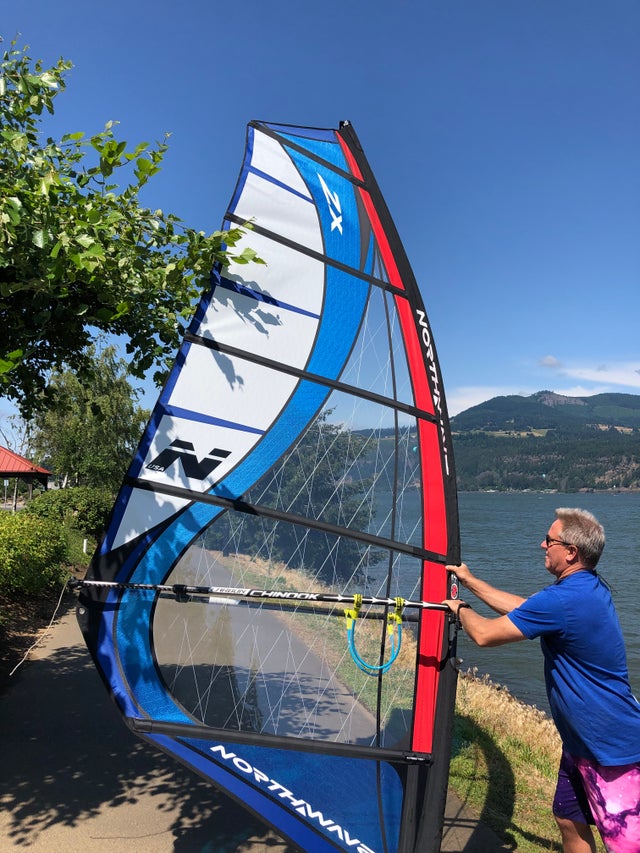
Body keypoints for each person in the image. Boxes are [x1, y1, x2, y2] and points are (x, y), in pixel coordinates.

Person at [444, 507, 640, 853]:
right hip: (581, 741)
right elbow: (524, 609)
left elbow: (486, 635)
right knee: (568, 818)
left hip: (610, 747)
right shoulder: (584, 588)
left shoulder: (565, 598)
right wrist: (471, 581)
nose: (541, 544)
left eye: (549, 540)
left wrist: (458, 608)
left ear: (570, 552)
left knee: (625, 842)